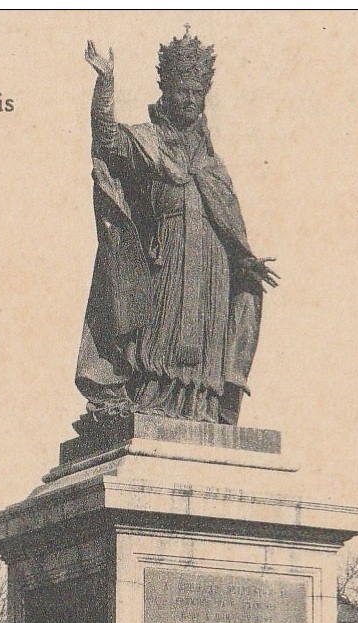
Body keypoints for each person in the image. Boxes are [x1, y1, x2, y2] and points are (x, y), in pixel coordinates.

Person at [76, 31, 280, 426]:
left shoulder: (211, 162)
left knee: (205, 344)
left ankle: (201, 408)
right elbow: (107, 140)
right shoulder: (149, 141)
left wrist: (245, 262)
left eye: (196, 92)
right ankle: (149, 398)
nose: (189, 99)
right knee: (159, 339)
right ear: (166, 91)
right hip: (165, 256)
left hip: (212, 268)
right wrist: (105, 84)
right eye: (182, 90)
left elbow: (228, 223)